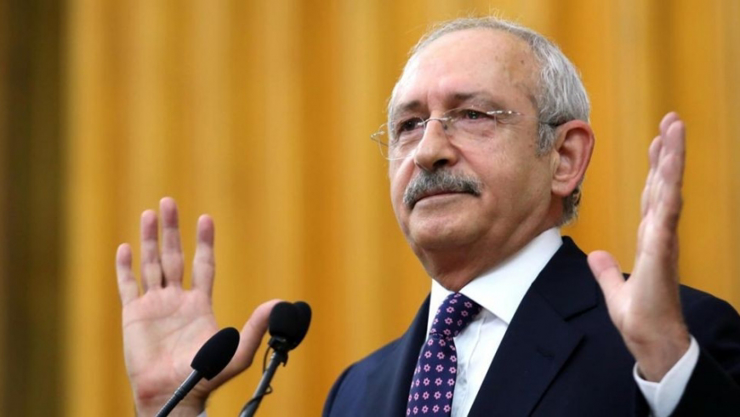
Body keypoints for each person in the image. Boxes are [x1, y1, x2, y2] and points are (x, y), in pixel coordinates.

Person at [116, 17, 740, 416]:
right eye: (409, 125)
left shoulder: (677, 345)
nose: (429, 150)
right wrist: (174, 407)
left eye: (472, 115)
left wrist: (670, 364)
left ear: (564, 158)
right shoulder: (357, 392)